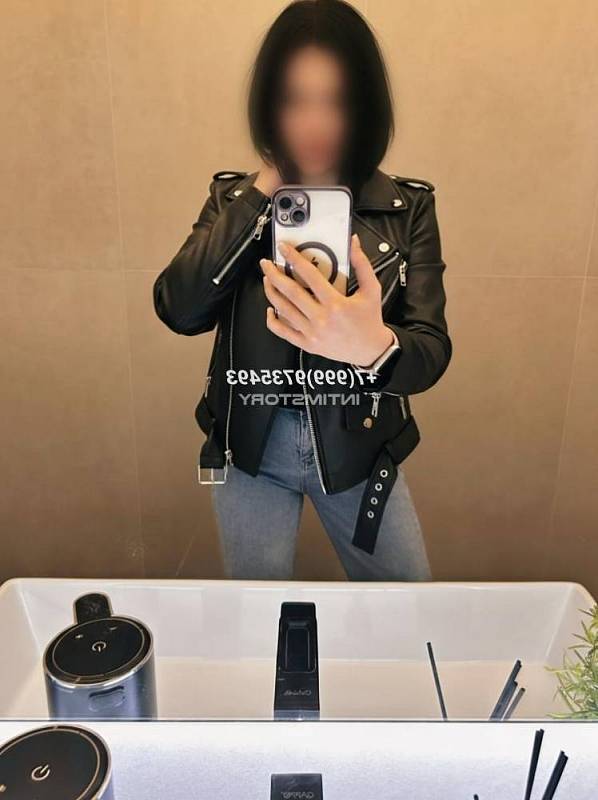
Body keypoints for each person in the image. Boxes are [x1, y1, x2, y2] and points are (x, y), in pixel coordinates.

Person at [153, 0, 451, 581]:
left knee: (405, 604)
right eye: (294, 100)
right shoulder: (235, 201)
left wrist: (374, 347)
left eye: (336, 100)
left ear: (365, 106)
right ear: (269, 105)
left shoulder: (407, 208)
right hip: (250, 451)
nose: (315, 123)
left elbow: (431, 350)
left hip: (360, 449)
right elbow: (178, 309)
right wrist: (263, 190)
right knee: (260, 614)